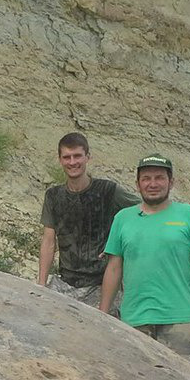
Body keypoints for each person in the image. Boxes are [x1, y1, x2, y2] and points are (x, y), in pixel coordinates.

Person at [98, 153, 190, 364]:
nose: (153, 184)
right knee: (135, 379)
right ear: (138, 184)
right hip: (134, 319)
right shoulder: (122, 218)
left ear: (171, 182)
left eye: (159, 178)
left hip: (180, 319)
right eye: (146, 178)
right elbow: (114, 268)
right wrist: (102, 314)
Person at [38, 132, 139, 308]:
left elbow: (144, 210)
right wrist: (41, 284)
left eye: (77, 156)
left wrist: (119, 243)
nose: (72, 162)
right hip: (66, 283)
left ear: (88, 157)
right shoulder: (53, 196)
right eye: (67, 157)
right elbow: (48, 241)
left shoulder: (108, 191)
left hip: (102, 284)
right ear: (60, 160)